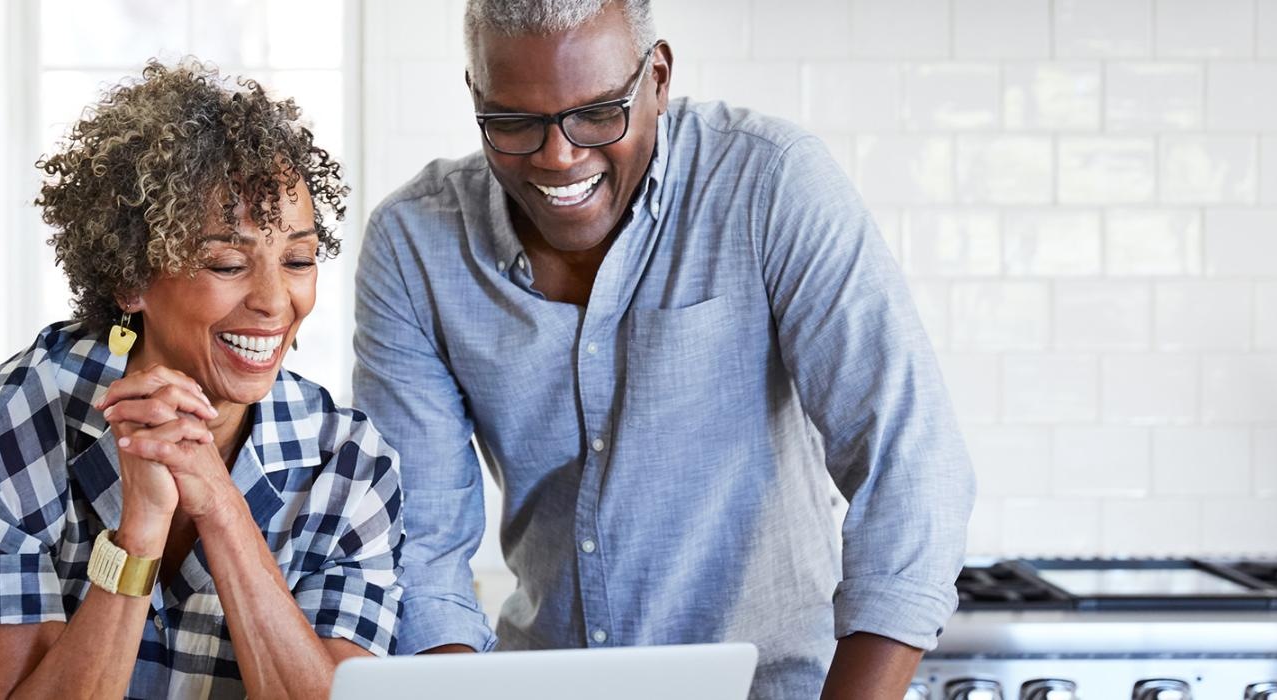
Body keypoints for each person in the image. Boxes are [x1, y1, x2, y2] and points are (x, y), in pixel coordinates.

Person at [352, 1, 975, 697]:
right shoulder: (414, 244)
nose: (560, 157)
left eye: (598, 113)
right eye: (514, 123)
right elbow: (424, 551)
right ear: (474, 93)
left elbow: (912, 470)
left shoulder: (770, 184)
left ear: (658, 77)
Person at [0, 59, 403, 700]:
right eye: (228, 262)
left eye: (298, 260)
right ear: (132, 280)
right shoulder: (11, 423)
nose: (274, 301)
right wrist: (139, 530)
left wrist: (220, 505)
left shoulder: (349, 467)